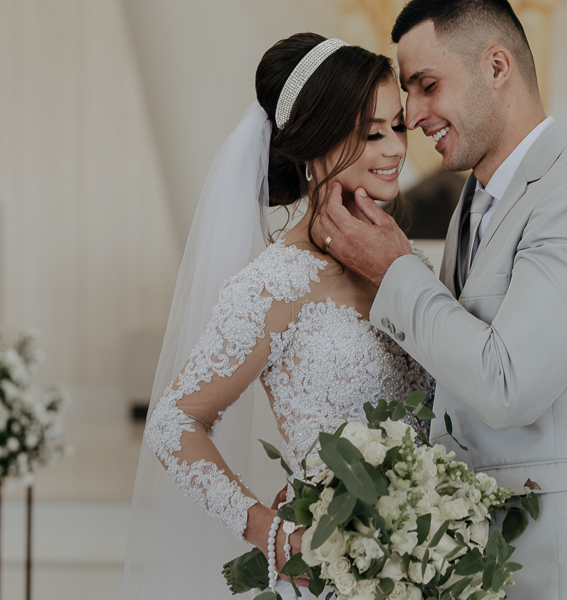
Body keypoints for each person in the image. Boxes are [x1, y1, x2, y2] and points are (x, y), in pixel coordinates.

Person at [316, 1, 567, 599]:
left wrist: (395, 270)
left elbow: (508, 385)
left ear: (497, 66)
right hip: (484, 560)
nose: (415, 115)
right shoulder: (476, 199)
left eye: (428, 86)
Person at [122, 33, 433, 600]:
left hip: (428, 563)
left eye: (399, 127)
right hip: (336, 572)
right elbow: (174, 423)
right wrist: (273, 535)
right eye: (371, 132)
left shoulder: (410, 264)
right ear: (313, 146)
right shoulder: (275, 283)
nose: (394, 149)